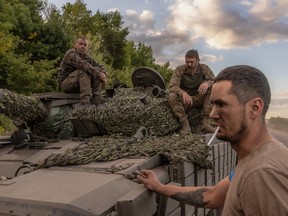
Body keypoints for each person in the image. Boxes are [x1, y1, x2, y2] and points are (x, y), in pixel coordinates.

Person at [138, 65, 288, 215]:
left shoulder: (262, 174)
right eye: (213, 104)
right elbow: (214, 195)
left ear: (254, 108)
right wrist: (159, 187)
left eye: (221, 104)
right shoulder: (255, 156)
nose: (212, 114)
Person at [168, 49, 215, 135]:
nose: (189, 64)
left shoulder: (204, 68)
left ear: (198, 60)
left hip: (199, 98)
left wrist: (207, 84)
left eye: (192, 62)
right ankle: (185, 125)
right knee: (172, 96)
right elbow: (172, 86)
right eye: (187, 61)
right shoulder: (180, 69)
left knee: (213, 89)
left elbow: (215, 81)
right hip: (186, 101)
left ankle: (205, 123)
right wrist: (182, 93)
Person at [57, 37, 107, 109]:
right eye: (80, 44)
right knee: (85, 70)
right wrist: (99, 74)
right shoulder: (70, 54)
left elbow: (99, 66)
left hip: (78, 85)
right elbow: (83, 65)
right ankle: (85, 103)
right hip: (66, 84)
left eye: (85, 45)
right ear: (75, 45)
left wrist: (104, 74)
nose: (83, 46)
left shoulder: (86, 57)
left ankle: (97, 98)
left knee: (97, 69)